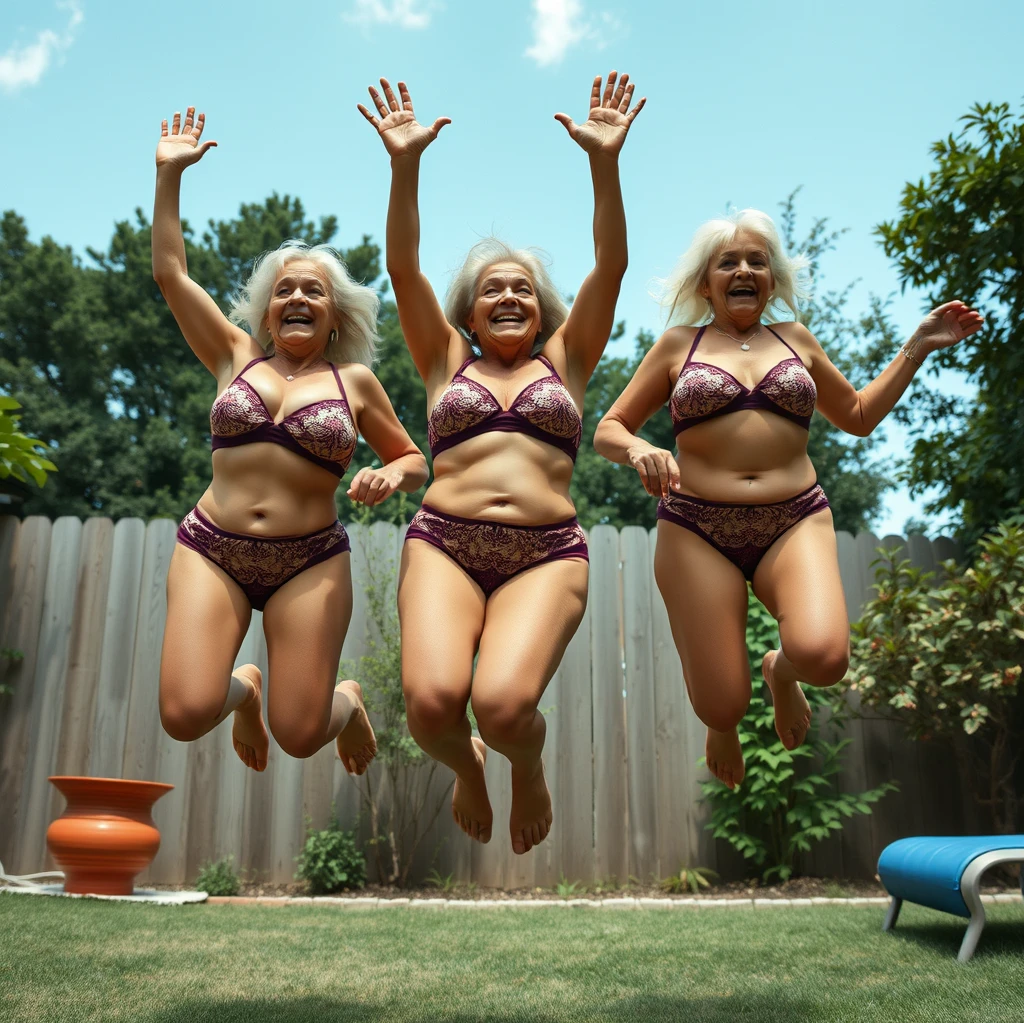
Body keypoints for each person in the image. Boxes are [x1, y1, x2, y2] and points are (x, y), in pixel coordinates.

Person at [594, 208, 983, 789]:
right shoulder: (679, 345)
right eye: (729, 262)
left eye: (758, 261)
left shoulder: (795, 339)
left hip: (793, 518)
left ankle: (781, 672)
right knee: (721, 705)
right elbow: (609, 427)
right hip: (697, 527)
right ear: (707, 282)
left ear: (773, 279)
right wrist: (640, 451)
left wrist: (918, 345)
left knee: (825, 659)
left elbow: (855, 416)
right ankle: (721, 723)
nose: (745, 269)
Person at [359, 73, 644, 852]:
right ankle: (470, 770)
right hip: (444, 542)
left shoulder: (568, 360)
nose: (509, 295)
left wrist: (605, 163)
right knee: (430, 708)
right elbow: (402, 266)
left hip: (545, 554)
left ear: (541, 307)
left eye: (522, 287)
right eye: (493, 289)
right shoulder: (443, 358)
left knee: (507, 707)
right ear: (471, 310)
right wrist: (404, 164)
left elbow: (610, 268)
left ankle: (525, 765)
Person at [153, 107, 428, 775]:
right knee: (185, 715)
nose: (298, 297)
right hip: (212, 546)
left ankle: (350, 701)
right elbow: (170, 273)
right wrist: (168, 176)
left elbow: (414, 458)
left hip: (307, 561)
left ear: (335, 316)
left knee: (302, 735)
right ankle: (243, 690)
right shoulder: (233, 355)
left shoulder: (355, 383)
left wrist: (391, 476)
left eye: (314, 291)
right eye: (284, 290)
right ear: (267, 309)